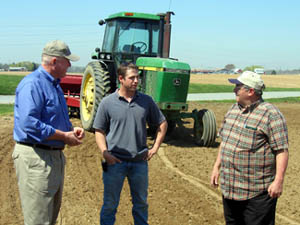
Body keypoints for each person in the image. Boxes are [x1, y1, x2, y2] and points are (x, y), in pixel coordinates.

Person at [12, 40, 85, 225]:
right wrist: (63, 136)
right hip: (36, 157)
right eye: (66, 60)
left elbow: (53, 118)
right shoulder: (33, 84)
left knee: (49, 219)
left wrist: (70, 130)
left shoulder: (55, 85)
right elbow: (29, 124)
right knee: (38, 220)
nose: (70, 64)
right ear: (54, 61)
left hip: (52, 158)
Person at [93, 62, 167, 225]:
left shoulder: (146, 101)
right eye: (132, 77)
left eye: (137, 77)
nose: (136, 81)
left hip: (139, 163)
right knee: (110, 205)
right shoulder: (107, 102)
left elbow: (162, 123)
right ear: (121, 79)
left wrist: (155, 148)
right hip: (114, 163)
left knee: (141, 204)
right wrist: (105, 152)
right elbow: (99, 131)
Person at [210, 71, 289, 225]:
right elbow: (225, 141)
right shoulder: (233, 110)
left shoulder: (271, 114)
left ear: (250, 91)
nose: (234, 90)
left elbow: (281, 150)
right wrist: (216, 167)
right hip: (230, 189)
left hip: (257, 192)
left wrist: (278, 180)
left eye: (238, 87)